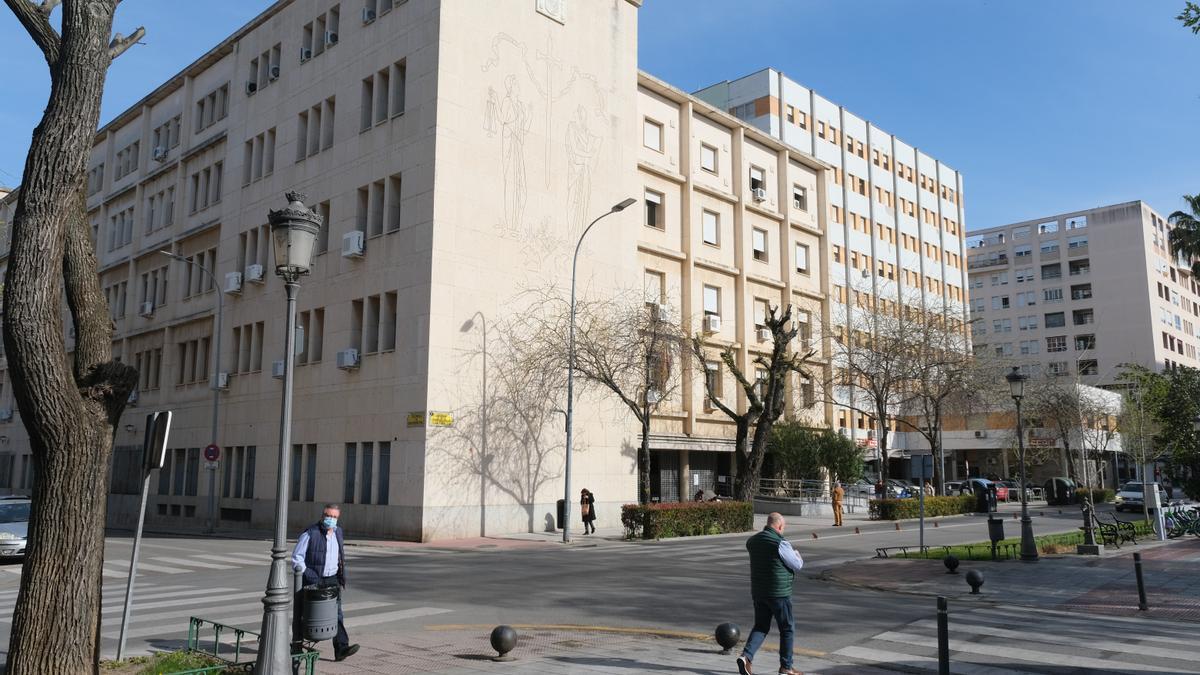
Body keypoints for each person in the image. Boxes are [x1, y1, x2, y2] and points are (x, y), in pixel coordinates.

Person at [737, 512, 805, 675]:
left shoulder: (752, 541)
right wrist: (796, 554)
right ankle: (786, 667)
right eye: (783, 528)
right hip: (779, 592)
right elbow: (797, 565)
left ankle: (746, 657)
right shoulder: (781, 543)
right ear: (779, 526)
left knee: (761, 626)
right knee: (787, 628)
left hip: (759, 591)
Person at [292, 504, 359, 662]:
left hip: (332, 579)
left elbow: (339, 556)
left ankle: (341, 648)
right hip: (313, 580)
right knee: (306, 614)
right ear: (323, 516)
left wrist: (341, 575)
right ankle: (297, 647)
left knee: (337, 614)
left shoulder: (338, 532)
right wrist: (308, 573)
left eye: (335, 517)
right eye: (329, 516)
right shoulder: (311, 533)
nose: (332, 520)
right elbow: (297, 558)